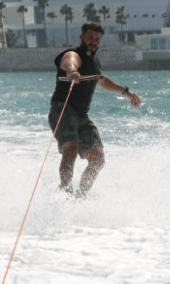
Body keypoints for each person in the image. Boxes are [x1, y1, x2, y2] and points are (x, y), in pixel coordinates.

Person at [48, 21, 141, 197]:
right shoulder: (73, 54)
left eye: (97, 39)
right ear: (82, 37)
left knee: (98, 159)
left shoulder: (94, 61)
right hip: (62, 110)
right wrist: (72, 72)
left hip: (81, 115)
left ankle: (80, 197)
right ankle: (65, 193)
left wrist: (125, 91)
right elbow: (69, 62)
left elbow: (102, 79)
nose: (93, 42)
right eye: (90, 38)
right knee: (72, 147)